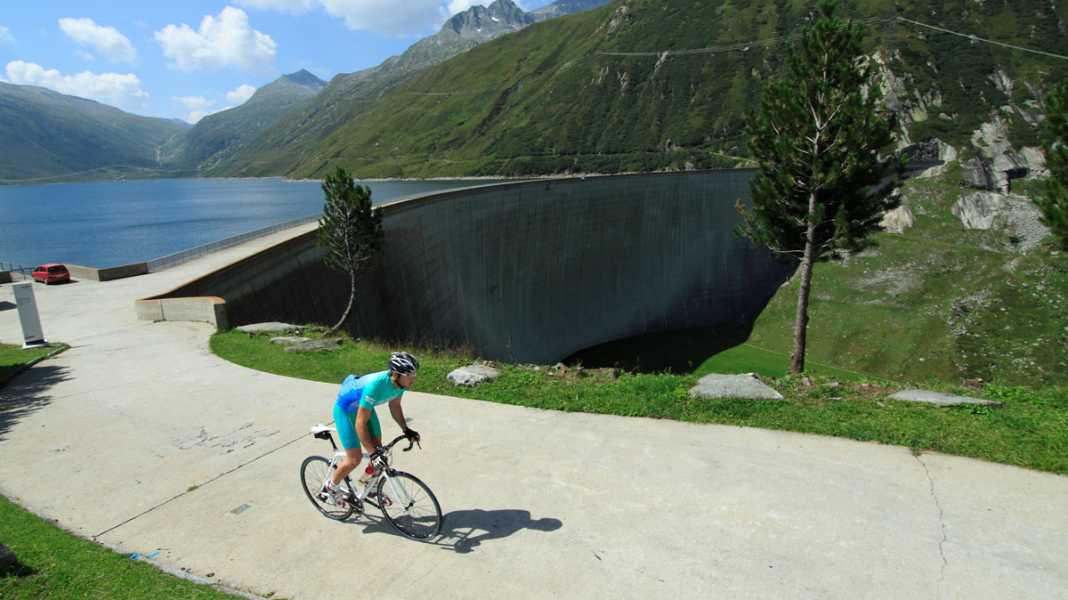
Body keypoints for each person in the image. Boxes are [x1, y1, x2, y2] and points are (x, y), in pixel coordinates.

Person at [323, 351, 421, 505]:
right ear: (396, 374)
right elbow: (360, 424)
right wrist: (372, 453)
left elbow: (395, 406)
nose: (413, 378)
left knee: (379, 454)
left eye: (414, 374)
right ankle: (330, 487)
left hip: (365, 408)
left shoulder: (400, 384)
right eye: (410, 375)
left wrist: (406, 429)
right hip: (346, 411)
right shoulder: (375, 385)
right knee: (354, 458)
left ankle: (369, 487)